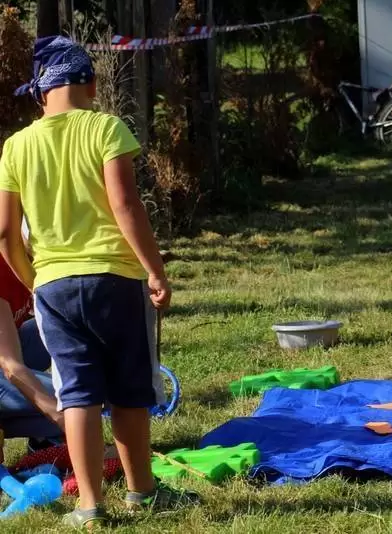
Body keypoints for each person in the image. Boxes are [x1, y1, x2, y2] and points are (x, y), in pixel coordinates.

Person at [0, 36, 197, 528]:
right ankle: (142, 492)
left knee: (77, 393)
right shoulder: (106, 128)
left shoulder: (15, 146)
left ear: (41, 93)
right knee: (129, 389)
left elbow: (5, 233)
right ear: (89, 83)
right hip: (116, 280)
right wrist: (155, 270)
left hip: (54, 286)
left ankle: (89, 505)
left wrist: (34, 280)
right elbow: (125, 205)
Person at [0, 254, 64, 466]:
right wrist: (66, 419)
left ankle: (44, 439)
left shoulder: (31, 261)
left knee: (61, 324)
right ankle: (53, 432)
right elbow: (11, 367)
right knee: (71, 399)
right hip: (5, 366)